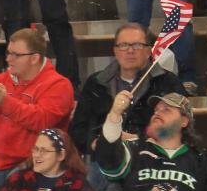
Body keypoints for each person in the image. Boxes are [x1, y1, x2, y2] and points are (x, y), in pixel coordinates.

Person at [0, 28, 75, 191]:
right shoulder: (0, 80)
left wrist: (5, 102)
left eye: (15, 55)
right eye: (8, 53)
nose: (8, 59)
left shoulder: (59, 85)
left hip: (33, 162)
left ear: (34, 58)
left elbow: (42, 121)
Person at [95, 92, 207, 191]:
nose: (157, 113)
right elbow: (107, 158)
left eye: (166, 110)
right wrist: (114, 115)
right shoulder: (134, 150)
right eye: (156, 110)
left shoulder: (200, 161)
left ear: (184, 121)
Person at [71, 23, 185, 156]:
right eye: (123, 45)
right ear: (115, 51)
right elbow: (78, 129)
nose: (130, 51)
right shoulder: (96, 82)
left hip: (152, 159)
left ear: (149, 51)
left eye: (137, 45)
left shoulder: (167, 82)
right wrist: (95, 144)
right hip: (105, 160)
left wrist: (138, 141)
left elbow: (177, 128)